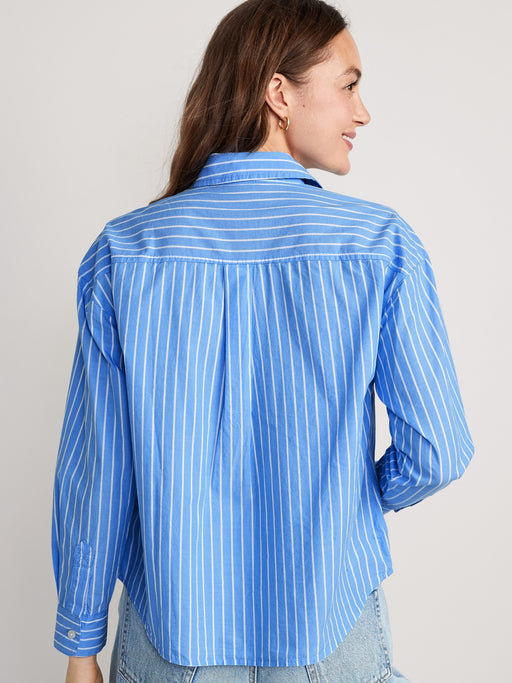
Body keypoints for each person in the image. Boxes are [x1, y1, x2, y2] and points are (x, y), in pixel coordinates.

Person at [52, 1, 474, 681]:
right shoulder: (379, 245)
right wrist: (348, 503)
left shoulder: (125, 251)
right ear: (279, 92)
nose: (362, 112)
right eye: (348, 85)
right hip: (330, 632)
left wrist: (80, 645)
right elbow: (438, 450)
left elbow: (99, 472)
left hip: (172, 637)